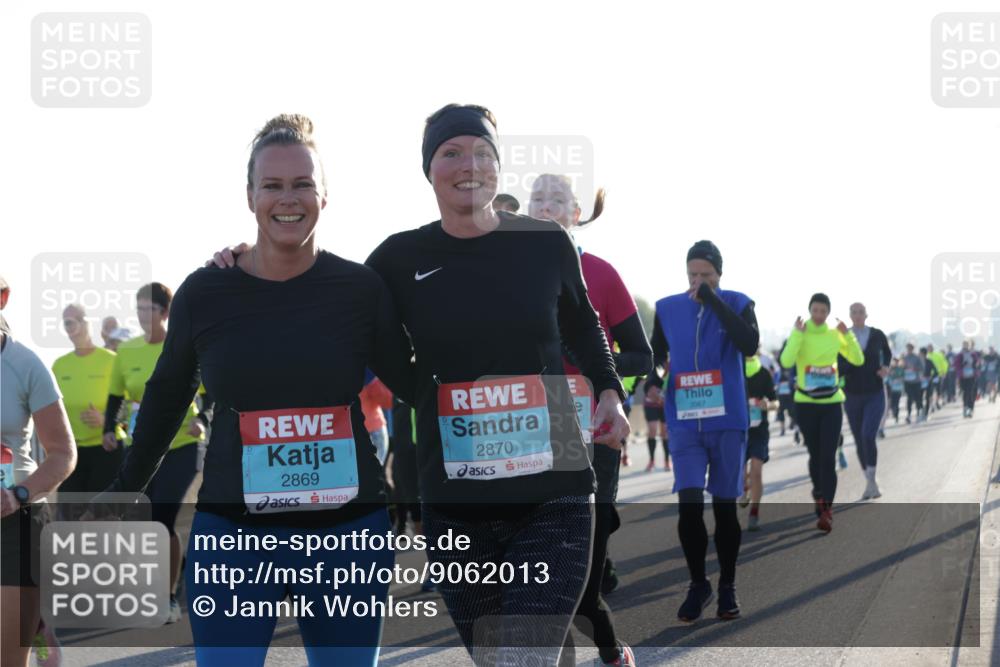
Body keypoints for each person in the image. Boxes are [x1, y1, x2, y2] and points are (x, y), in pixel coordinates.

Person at [112, 114, 417, 666]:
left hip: (346, 533)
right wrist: (123, 491)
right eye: (272, 185)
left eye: (303, 183)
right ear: (250, 195)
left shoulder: (360, 289)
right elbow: (165, 397)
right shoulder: (206, 292)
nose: (288, 198)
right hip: (233, 535)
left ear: (325, 193)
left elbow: (416, 383)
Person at [364, 104, 631, 666]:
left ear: (499, 167)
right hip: (456, 503)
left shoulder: (544, 243)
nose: (471, 165)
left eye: (484, 153)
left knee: (521, 658)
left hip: (553, 490)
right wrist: (242, 261)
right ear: (429, 169)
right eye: (452, 152)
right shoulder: (396, 258)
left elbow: (582, 325)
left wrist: (610, 391)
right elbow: (353, 320)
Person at [527, 172, 650, 666]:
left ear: (577, 213)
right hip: (528, 435)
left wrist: (594, 379)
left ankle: (609, 647)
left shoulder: (600, 273)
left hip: (594, 433)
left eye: (559, 200)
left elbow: (641, 356)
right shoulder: (502, 279)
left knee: (584, 572)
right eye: (538, 198)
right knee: (539, 570)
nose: (547, 206)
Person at [650, 240, 759, 622]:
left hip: (727, 420)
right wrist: (653, 380)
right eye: (693, 275)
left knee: (724, 508)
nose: (698, 282)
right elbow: (656, 358)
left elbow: (749, 344)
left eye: (706, 276)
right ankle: (699, 584)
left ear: (719, 276)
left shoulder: (739, 302)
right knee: (690, 503)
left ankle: (727, 584)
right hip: (685, 422)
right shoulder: (667, 308)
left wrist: (713, 300)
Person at [102, 282, 209, 624]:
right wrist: (109, 427)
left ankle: (170, 597)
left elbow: (209, 392)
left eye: (148, 308)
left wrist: (203, 419)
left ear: (165, 313)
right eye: (138, 308)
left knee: (162, 516)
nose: (141, 314)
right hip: (144, 448)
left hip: (183, 445)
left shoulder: (182, 345)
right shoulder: (127, 352)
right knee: (148, 522)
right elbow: (116, 398)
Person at [1, 275, 77, 667]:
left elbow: (63, 453)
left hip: (16, 520)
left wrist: (19, 495)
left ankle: (37, 626)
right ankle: (40, 625)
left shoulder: (24, 365)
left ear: (3, 298)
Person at [779, 293, 863, 533]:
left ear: (827, 312)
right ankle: (818, 492)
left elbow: (857, 359)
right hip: (805, 403)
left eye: (822, 311)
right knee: (815, 456)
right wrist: (796, 333)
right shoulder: (801, 334)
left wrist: (848, 334)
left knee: (828, 457)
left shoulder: (835, 334)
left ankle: (827, 509)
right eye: (815, 310)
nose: (818, 315)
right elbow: (786, 361)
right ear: (809, 311)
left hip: (832, 403)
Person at [53, 304, 125, 509]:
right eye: (65, 323)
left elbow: (131, 404)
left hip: (107, 449)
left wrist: (107, 421)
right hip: (72, 453)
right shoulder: (59, 365)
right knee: (68, 519)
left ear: (87, 323)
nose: (68, 328)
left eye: (72, 322)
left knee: (103, 520)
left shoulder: (112, 360)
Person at [840, 302, 891, 500]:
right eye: (854, 312)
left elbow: (887, 353)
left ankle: (872, 479)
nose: (858, 315)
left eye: (861, 311)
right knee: (858, 438)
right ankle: (869, 481)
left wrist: (885, 367)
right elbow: (838, 361)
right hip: (851, 394)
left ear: (866, 314)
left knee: (868, 435)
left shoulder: (877, 334)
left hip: (875, 391)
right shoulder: (843, 337)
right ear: (850, 315)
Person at [740, 353, 775, 531]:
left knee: (757, 472)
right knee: (740, 474)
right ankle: (743, 486)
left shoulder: (763, 373)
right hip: (737, 430)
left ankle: (754, 511)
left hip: (759, 430)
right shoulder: (732, 369)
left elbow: (775, 402)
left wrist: (767, 405)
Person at [359, 374, 393, 464]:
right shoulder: (367, 371)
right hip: (373, 430)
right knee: (374, 472)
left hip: (356, 431)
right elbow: (388, 401)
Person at [642, 374, 669, 471]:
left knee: (664, 432)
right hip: (650, 403)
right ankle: (651, 461)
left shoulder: (668, 362)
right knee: (652, 430)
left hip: (664, 403)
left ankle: (667, 461)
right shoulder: (650, 363)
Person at [954, 340, 981, 418]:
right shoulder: (959, 355)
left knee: (970, 392)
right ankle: (965, 407)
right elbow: (956, 365)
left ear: (969, 345)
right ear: (963, 345)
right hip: (963, 376)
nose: (966, 346)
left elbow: (977, 363)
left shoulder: (973, 354)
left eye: (967, 345)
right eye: (964, 344)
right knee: (965, 392)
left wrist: (975, 366)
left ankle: (970, 409)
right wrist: (962, 365)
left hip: (971, 376)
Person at [774, 357, 798, 442]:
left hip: (790, 395)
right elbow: (775, 381)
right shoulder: (778, 371)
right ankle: (782, 429)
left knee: (793, 413)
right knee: (780, 413)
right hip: (780, 395)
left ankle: (796, 430)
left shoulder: (793, 368)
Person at [901, 343, 923, 423]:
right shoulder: (904, 358)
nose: (908, 350)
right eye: (907, 348)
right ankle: (909, 415)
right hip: (907, 381)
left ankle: (918, 414)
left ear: (912, 349)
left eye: (910, 348)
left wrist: (914, 368)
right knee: (909, 398)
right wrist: (903, 367)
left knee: (917, 398)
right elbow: (901, 368)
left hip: (916, 381)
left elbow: (921, 368)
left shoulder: (917, 357)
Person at [886, 358, 905, 423]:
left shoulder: (900, 369)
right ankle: (894, 413)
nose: (895, 363)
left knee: (896, 403)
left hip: (898, 389)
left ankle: (896, 416)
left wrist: (898, 380)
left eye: (896, 362)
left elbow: (903, 377)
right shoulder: (889, 369)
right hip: (890, 389)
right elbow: (886, 377)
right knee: (891, 403)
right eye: (894, 362)